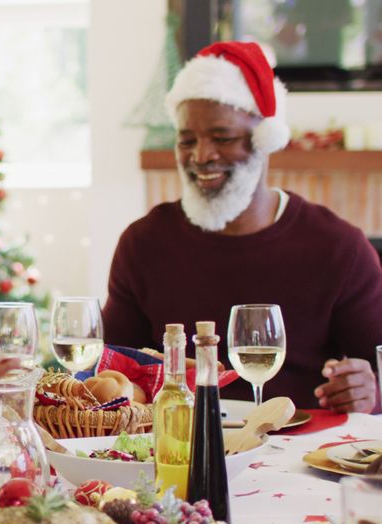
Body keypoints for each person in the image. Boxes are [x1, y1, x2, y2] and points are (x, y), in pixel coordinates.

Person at [102, 41, 382, 414]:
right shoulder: (144, 243)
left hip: (300, 458)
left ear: (265, 139)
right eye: (187, 140)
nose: (201, 155)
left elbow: (376, 374)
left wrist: (371, 392)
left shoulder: (339, 246)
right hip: (178, 451)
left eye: (223, 138)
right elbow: (109, 370)